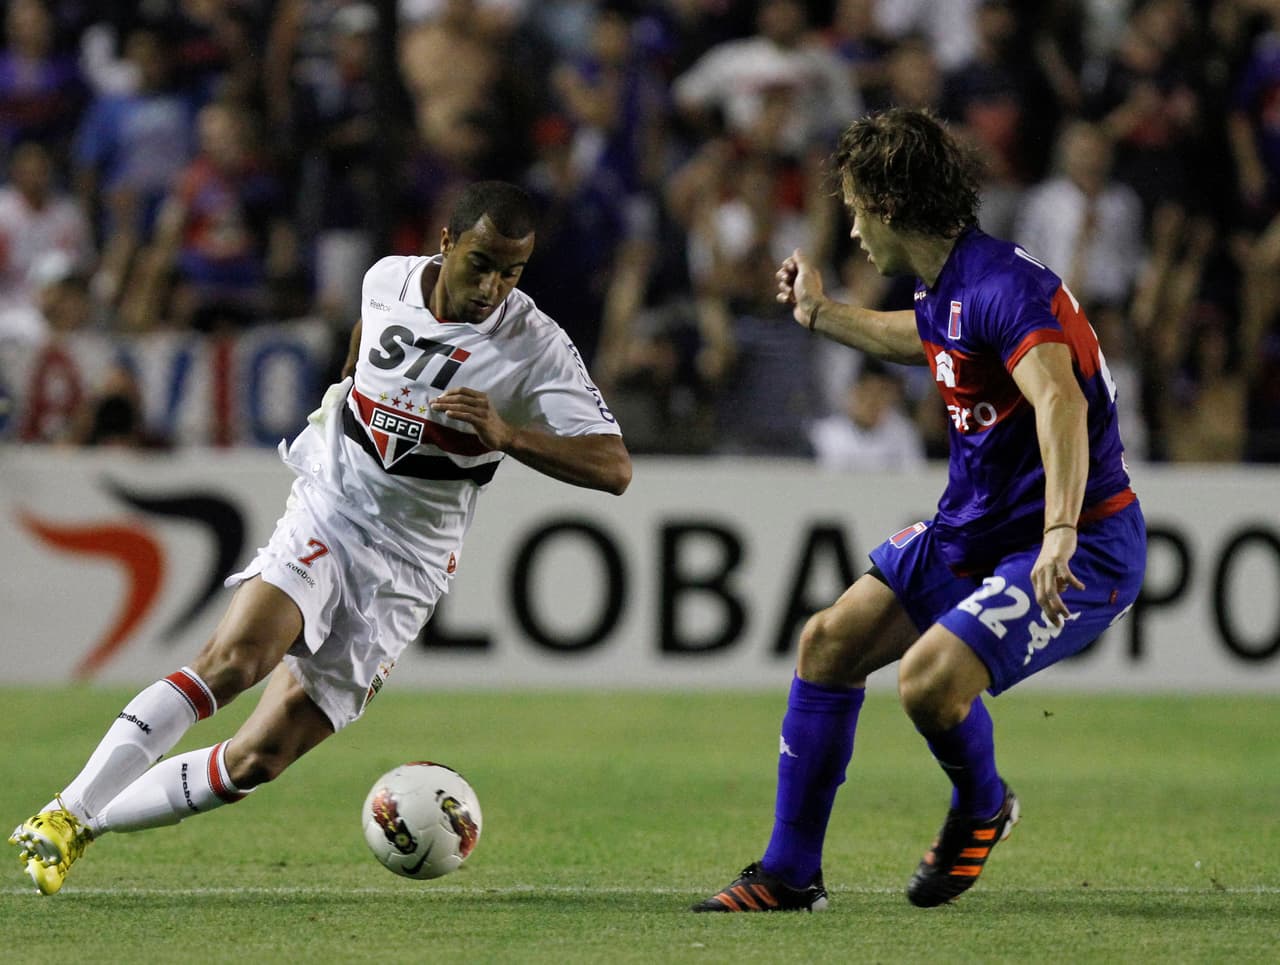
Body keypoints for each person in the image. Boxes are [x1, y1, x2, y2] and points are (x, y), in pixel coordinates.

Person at [10, 180, 632, 895]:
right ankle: (66, 810)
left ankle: (82, 823)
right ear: (447, 243)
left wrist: (507, 434)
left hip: (408, 565)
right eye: (482, 262)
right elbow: (364, 342)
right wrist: (345, 393)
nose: (494, 285)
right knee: (238, 658)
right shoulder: (387, 278)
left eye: (513, 271)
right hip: (331, 509)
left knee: (259, 758)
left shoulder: (536, 347)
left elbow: (613, 468)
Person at [692, 108, 1145, 913]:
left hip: (1084, 540)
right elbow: (929, 340)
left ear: (890, 207)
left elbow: (1061, 402)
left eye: (858, 208)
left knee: (929, 682)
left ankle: (983, 805)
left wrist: (1061, 530)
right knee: (828, 641)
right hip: (970, 530)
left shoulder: (1008, 287)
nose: (854, 227)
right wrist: (823, 315)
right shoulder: (955, 280)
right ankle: (790, 873)